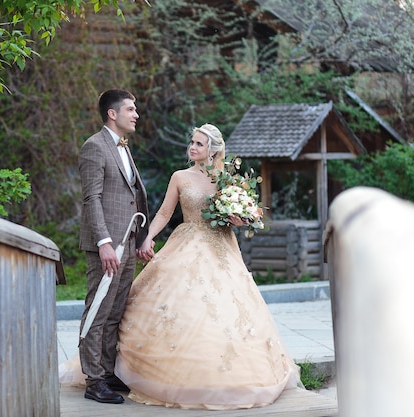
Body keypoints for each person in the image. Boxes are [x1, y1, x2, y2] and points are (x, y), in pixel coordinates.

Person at [112, 123, 302, 410]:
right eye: (192, 142)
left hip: (222, 247)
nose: (193, 147)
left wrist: (240, 219)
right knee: (183, 305)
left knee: (229, 308)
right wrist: (146, 238)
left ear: (212, 150)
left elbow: (241, 214)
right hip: (187, 242)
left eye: (199, 144)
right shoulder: (180, 176)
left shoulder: (226, 179)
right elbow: (164, 212)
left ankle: (229, 377)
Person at [76, 89, 150, 404]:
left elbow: (133, 195)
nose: (136, 114)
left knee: (116, 311)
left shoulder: (122, 146)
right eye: (131, 109)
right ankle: (93, 380)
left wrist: (142, 235)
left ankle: (106, 372)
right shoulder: (94, 147)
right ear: (112, 113)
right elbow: (92, 198)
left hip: (128, 242)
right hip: (107, 247)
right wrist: (104, 243)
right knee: (98, 309)